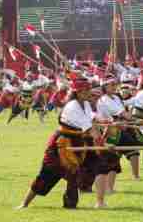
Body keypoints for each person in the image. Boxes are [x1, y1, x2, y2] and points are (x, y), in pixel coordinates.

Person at [17, 80, 109, 209]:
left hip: (77, 140)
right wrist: (101, 143)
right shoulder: (72, 106)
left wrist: (104, 122)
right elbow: (89, 128)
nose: (90, 93)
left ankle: (76, 202)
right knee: (47, 173)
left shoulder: (86, 104)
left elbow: (91, 118)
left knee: (87, 168)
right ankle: (24, 203)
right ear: (79, 93)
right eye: (87, 90)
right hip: (61, 143)